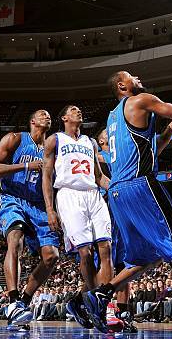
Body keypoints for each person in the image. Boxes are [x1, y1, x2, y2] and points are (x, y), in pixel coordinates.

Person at [72, 71, 172, 337]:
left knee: (143, 257)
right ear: (122, 85)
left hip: (119, 194)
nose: (138, 77)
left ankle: (101, 294)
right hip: (141, 185)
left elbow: (153, 149)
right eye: (131, 76)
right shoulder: (141, 99)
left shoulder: (114, 118)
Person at [0, 109, 60, 331]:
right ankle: (12, 300)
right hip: (13, 198)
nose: (48, 117)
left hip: (39, 204)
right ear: (32, 121)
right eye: (42, 114)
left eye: (49, 115)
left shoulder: (53, 146)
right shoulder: (15, 138)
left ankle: (23, 303)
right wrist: (25, 165)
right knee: (15, 241)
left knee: (51, 256)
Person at [42, 105, 111, 326]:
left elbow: (99, 177)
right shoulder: (55, 140)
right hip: (69, 195)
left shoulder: (90, 142)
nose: (79, 111)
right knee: (85, 253)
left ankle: (94, 303)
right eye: (73, 110)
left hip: (93, 194)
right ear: (64, 117)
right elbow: (46, 175)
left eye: (80, 109)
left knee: (106, 248)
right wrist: (50, 209)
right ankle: (93, 306)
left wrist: (118, 188)